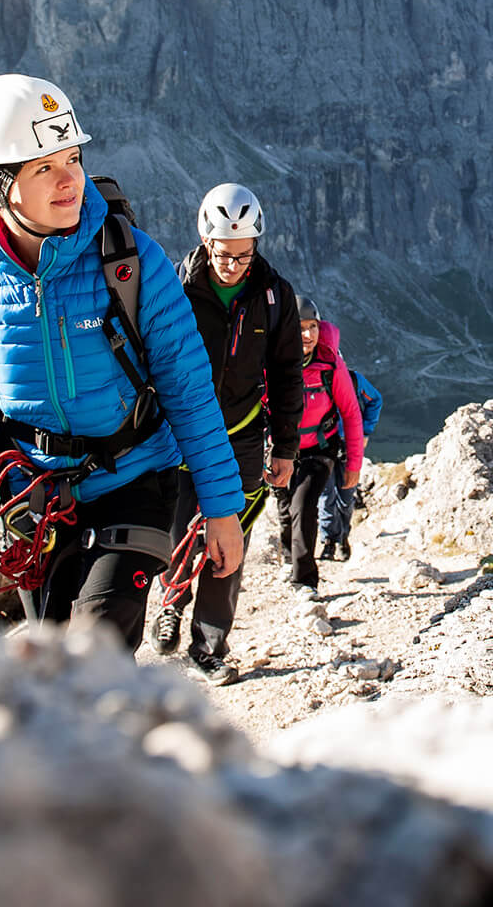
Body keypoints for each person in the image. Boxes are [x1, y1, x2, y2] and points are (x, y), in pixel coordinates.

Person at [0, 73, 246, 651]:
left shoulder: (134, 263)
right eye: (43, 167)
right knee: (53, 658)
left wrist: (222, 510)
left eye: (73, 157)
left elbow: (189, 390)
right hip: (36, 497)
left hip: (138, 476)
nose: (70, 180)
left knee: (96, 646)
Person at [152, 183, 306, 684]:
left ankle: (209, 645)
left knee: (227, 544)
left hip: (239, 436)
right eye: (223, 254)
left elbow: (287, 373)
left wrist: (285, 447)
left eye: (243, 255)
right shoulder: (175, 285)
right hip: (178, 435)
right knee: (178, 536)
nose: (232, 265)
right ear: (205, 240)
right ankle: (171, 602)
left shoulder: (274, 296)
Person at [276, 296, 363, 611]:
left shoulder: (329, 363)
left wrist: (353, 465)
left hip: (319, 451)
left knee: (304, 505)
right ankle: (289, 558)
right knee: (286, 507)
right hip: (278, 452)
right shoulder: (270, 362)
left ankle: (305, 580)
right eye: (299, 328)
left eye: (312, 327)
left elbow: (351, 413)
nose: (307, 334)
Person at [319, 368, 379, 561]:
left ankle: (343, 536)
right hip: (322, 444)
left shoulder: (354, 380)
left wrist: (365, 432)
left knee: (346, 495)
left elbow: (375, 399)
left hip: (348, 443)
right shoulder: (315, 376)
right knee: (325, 494)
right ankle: (329, 541)